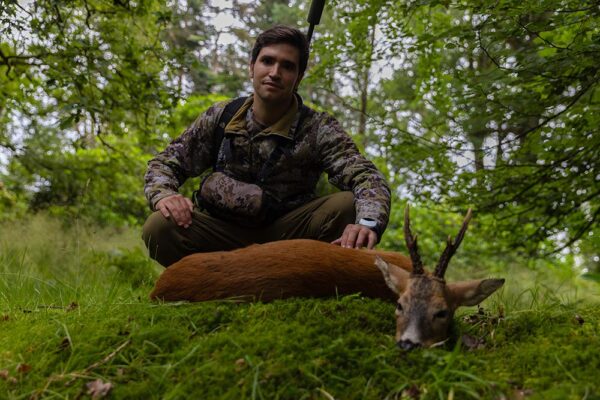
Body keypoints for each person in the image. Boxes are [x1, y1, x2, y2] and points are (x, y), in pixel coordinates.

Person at [143, 25, 391, 267]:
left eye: (287, 66)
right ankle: (211, 279)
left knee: (345, 205)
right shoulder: (221, 116)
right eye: (267, 61)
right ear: (252, 68)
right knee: (159, 227)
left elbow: (367, 177)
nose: (275, 72)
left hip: (288, 238)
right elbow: (165, 163)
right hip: (220, 234)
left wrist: (367, 223)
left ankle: (297, 279)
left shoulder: (318, 128)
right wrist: (165, 195)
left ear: (298, 77)